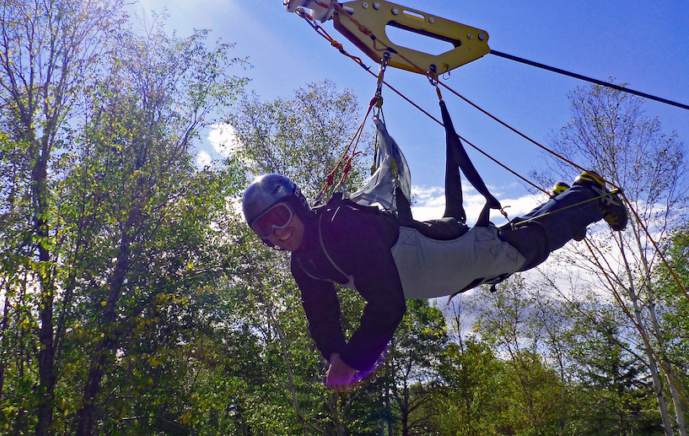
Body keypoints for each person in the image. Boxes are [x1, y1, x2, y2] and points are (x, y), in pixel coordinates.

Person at [242, 171, 628, 388]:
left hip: (441, 257)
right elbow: (321, 315)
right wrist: (335, 357)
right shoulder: (302, 262)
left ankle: (589, 196)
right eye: (264, 228)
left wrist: (355, 361)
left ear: (297, 206)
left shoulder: (339, 225)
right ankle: (565, 202)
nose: (276, 232)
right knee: (514, 243)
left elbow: (387, 305)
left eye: (279, 217)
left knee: (520, 251)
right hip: (432, 277)